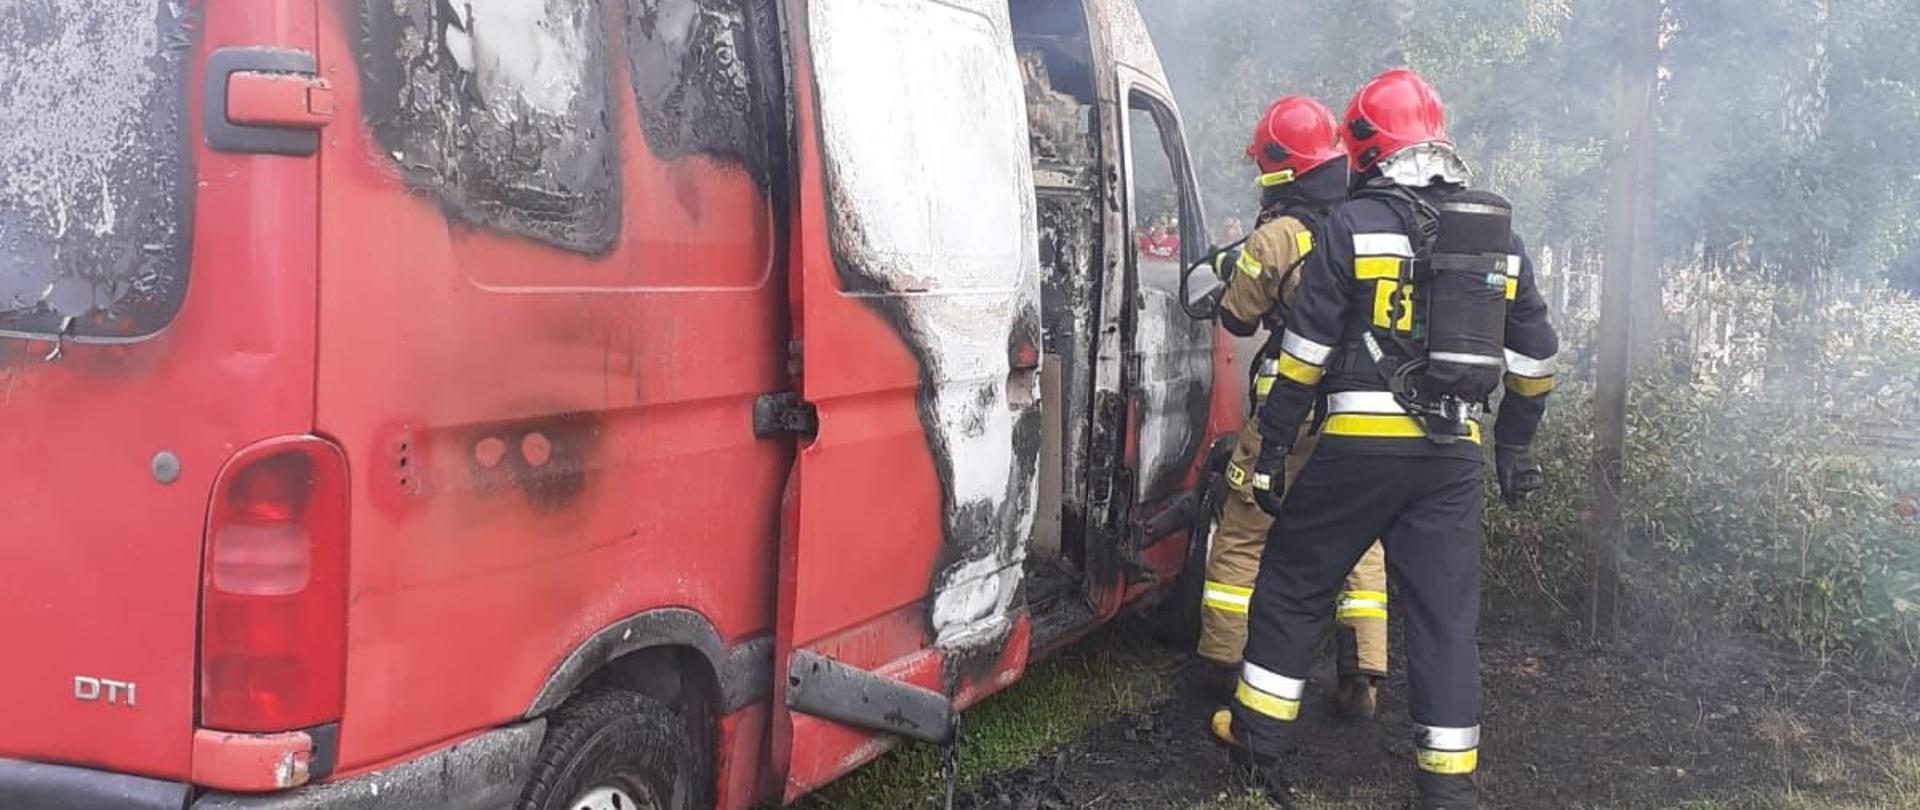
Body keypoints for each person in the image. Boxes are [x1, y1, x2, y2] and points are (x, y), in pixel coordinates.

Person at [1225, 69, 1559, 810]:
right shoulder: (1497, 232)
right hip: (1451, 460)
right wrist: (1514, 445)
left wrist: (1274, 449)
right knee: (1444, 621)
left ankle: (1258, 747)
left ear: (1364, 147)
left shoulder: (1349, 225)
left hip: (1355, 453)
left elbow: (1304, 356)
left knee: (1293, 580)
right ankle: (1448, 789)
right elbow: (1535, 360)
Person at [1195, 96, 1390, 726]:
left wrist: (1242, 260)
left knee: (1243, 529)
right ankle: (1361, 676)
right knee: (1360, 538)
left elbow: (1235, 315)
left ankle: (1221, 665)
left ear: (1282, 167)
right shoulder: (1367, 219)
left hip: (1292, 408)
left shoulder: (1278, 234)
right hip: (1364, 406)